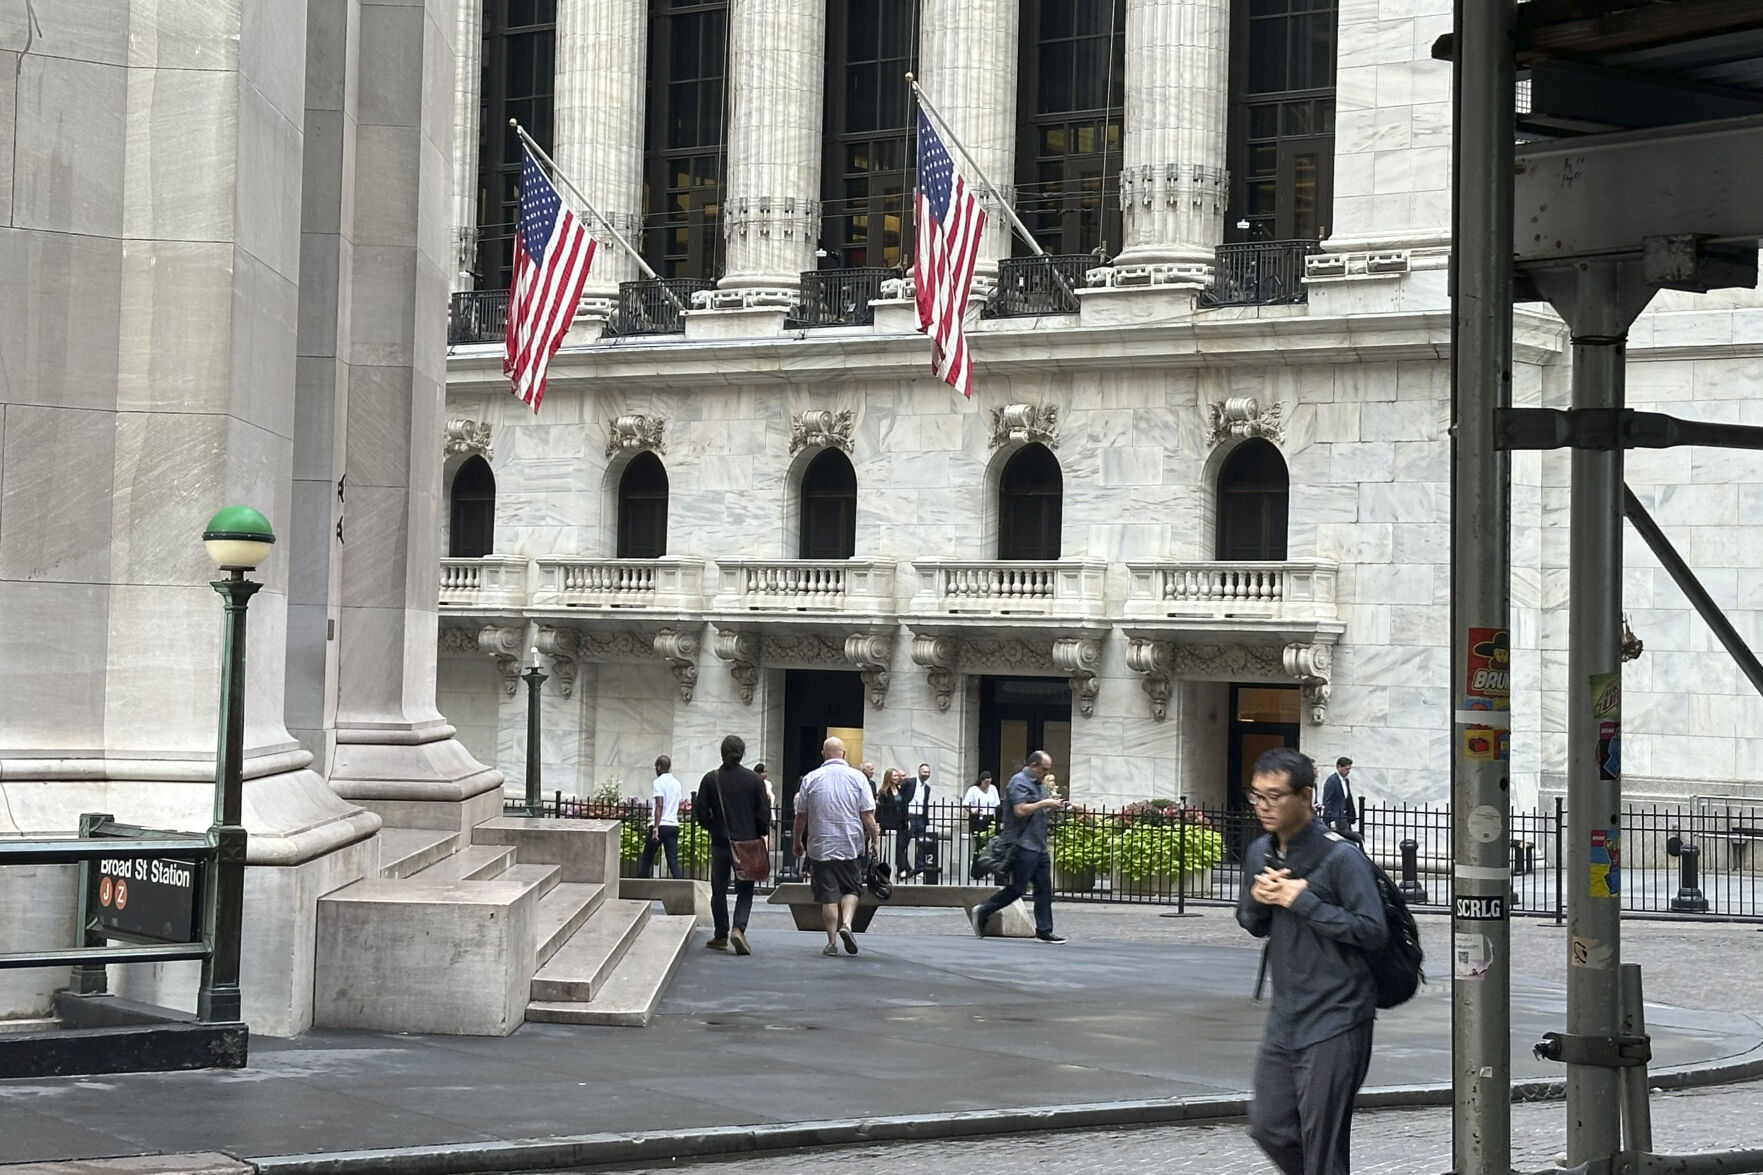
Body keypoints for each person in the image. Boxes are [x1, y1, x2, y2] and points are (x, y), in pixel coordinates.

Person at [1236, 747, 1386, 1175]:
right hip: (1286, 1017)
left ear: (1304, 796)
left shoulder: (1342, 857)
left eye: (1274, 796)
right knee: (1269, 1127)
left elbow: (1372, 931)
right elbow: (1252, 923)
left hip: (1338, 1018)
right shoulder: (1260, 852)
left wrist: (1304, 902)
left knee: (1322, 1148)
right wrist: (1257, 900)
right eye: (1257, 796)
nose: (1264, 807)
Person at [793, 736, 880, 957]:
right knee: (851, 888)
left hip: (820, 845)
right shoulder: (858, 778)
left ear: (823, 754)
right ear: (843, 753)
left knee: (828, 895)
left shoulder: (811, 778)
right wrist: (875, 839)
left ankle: (831, 941)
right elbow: (867, 815)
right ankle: (847, 924)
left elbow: (801, 816)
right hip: (849, 843)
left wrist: (797, 841)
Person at [971, 751, 1066, 943]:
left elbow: (1036, 810)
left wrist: (1053, 806)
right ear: (1033, 766)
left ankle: (1044, 929)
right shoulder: (1019, 782)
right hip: (1023, 844)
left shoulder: (1037, 783)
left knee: (1044, 888)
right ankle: (985, 910)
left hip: (1038, 844)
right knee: (1017, 888)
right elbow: (1020, 810)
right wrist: (1044, 803)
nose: (1047, 773)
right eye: (1044, 769)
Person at [694, 735, 770, 956]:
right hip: (747, 841)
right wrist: (759, 832)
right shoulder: (755, 780)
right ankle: (739, 927)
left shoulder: (711, 779)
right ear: (742, 753)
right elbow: (763, 813)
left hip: (721, 841)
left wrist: (714, 827)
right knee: (745, 888)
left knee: (718, 889)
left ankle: (720, 934)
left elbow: (701, 813)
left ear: (722, 752)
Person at [635, 754, 684, 879]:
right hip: (673, 825)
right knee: (673, 861)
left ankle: (639, 886)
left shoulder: (658, 782)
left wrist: (656, 828)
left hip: (660, 824)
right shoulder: (677, 783)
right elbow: (678, 803)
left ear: (659, 767)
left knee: (647, 858)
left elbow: (659, 805)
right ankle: (683, 887)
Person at [902, 762, 934, 879]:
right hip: (909, 817)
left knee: (922, 843)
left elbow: (925, 804)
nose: (926, 774)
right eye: (924, 771)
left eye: (928, 772)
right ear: (919, 771)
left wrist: (926, 821)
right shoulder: (910, 782)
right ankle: (904, 867)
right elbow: (901, 796)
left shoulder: (927, 788)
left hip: (920, 818)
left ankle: (919, 868)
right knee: (903, 843)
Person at [876, 767, 909, 878]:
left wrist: (906, 819)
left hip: (900, 822)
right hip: (889, 823)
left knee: (898, 846)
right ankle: (900, 868)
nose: (897, 778)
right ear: (889, 777)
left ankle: (887, 869)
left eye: (897, 776)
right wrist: (878, 823)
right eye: (894, 776)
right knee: (892, 846)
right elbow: (880, 809)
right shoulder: (884, 792)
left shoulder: (900, 789)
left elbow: (904, 806)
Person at [1321, 756, 1357, 838]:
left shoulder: (1346, 781)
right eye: (1346, 769)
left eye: (1349, 769)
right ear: (1339, 767)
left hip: (1344, 818)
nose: (1348, 772)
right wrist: (1331, 820)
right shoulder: (1332, 780)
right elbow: (1327, 801)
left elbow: (1347, 799)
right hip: (1335, 817)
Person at [963, 771, 999, 836]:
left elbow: (997, 803)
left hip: (990, 816)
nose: (987, 785)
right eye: (986, 783)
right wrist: (972, 810)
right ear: (981, 781)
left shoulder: (993, 788)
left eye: (989, 782)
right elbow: (966, 803)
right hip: (977, 817)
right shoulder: (973, 789)